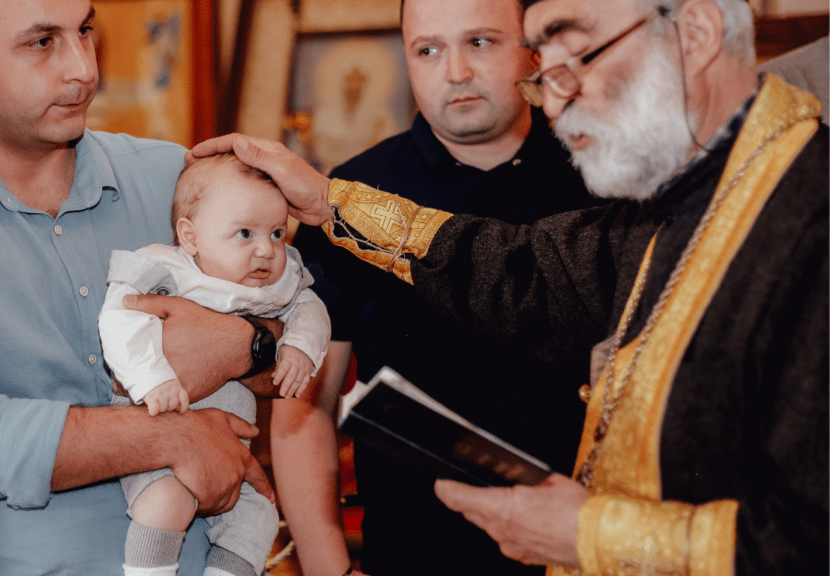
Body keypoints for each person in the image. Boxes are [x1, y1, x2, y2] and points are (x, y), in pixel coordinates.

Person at [189, 0, 829, 572]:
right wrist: (330, 202)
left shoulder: (808, 213)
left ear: (694, 31)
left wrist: (589, 534)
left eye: (578, 54)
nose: (555, 101)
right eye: (546, 74)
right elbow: (527, 272)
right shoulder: (696, 197)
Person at [0, 0, 281, 574]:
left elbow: (293, 346)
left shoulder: (173, 178)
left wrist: (245, 342)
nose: (83, 68)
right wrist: (169, 438)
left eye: (84, 31)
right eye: (42, 41)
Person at [270, 0, 601, 574]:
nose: (455, 72)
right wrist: (330, 567)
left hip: (581, 550)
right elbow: (303, 408)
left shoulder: (601, 177)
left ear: (531, 49)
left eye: (480, 43)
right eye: (428, 50)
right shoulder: (346, 197)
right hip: (411, 552)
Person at [99, 153, 330, 576]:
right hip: (157, 426)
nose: (266, 250)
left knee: (259, 518)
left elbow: (311, 308)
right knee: (168, 500)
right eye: (245, 233)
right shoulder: (167, 269)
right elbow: (120, 316)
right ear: (190, 236)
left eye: (278, 233)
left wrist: (299, 347)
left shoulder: (278, 281)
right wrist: (151, 380)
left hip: (231, 455)